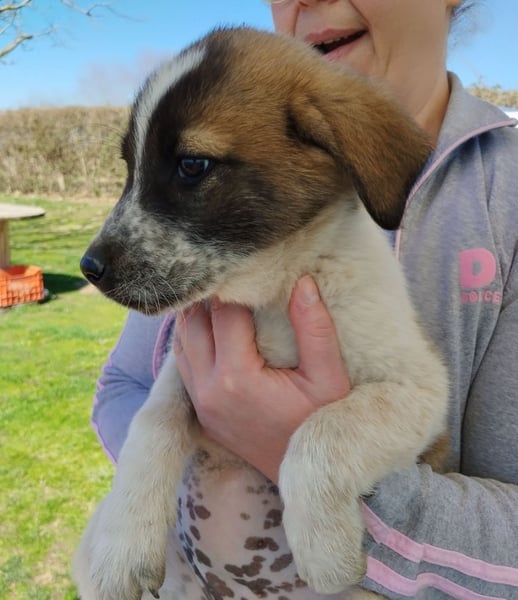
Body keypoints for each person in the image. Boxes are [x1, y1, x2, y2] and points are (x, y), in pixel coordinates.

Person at [90, 1, 518, 597]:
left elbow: (417, 399)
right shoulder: (233, 230)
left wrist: (301, 458)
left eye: (192, 165)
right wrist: (154, 489)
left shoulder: (501, 199)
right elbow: (128, 385)